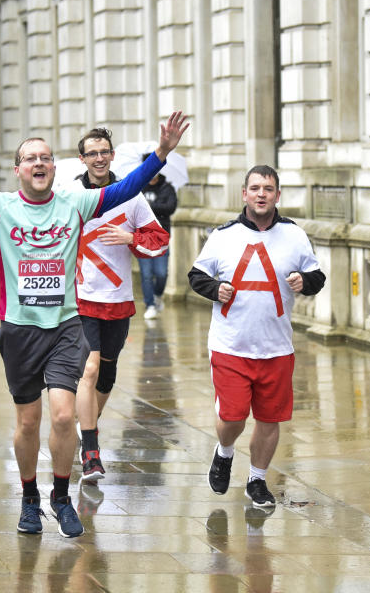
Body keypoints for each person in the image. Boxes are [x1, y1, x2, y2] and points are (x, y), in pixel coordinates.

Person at [0, 108, 188, 538]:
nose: (39, 163)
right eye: (30, 158)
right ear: (18, 169)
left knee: (63, 418)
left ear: (54, 168)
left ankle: (60, 498)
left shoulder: (75, 203)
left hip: (65, 326)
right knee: (27, 423)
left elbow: (127, 187)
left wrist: (161, 153)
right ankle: (28, 499)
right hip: (19, 330)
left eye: (46, 157)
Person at [188, 165, 325, 509]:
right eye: (255, 188)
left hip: (277, 347)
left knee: (269, 418)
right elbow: (196, 274)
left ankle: (258, 480)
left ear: (278, 195)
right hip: (230, 344)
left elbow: (317, 275)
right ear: (244, 194)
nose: (261, 194)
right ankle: (224, 451)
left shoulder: (294, 235)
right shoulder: (224, 235)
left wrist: (304, 282)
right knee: (233, 417)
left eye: (268, 188)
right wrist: (215, 288)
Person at [68, 127, 169, 483]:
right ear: (82, 159)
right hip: (80, 299)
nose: (99, 158)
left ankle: (87, 426)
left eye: (104, 152)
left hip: (118, 300)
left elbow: (159, 239)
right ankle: (91, 453)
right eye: (92, 152)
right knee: (90, 369)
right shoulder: (70, 195)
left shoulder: (131, 197)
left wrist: (132, 237)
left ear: (112, 156)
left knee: (107, 376)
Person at [137, 169, 177, 319]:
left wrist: (149, 206)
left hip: (161, 238)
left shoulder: (167, 188)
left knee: (161, 273)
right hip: (142, 237)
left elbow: (170, 207)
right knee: (146, 275)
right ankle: (150, 305)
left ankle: (158, 296)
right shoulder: (139, 188)